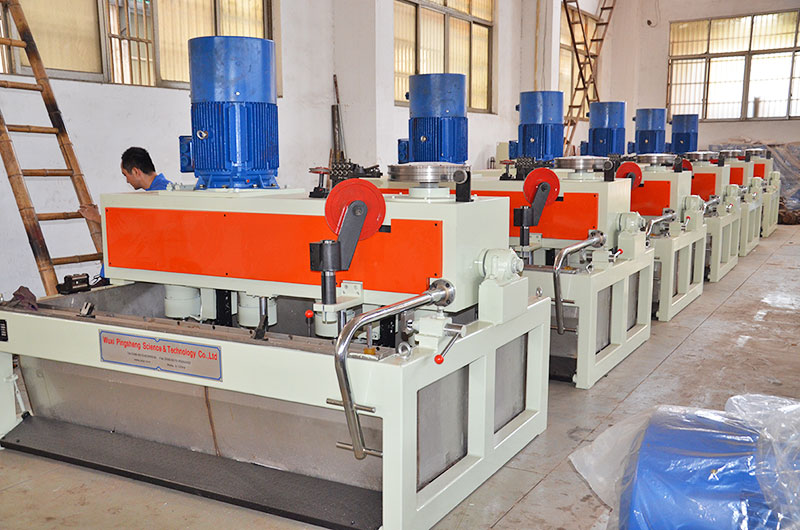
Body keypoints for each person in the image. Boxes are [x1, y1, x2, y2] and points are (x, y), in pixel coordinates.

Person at [78, 147, 172, 223]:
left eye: (125, 175)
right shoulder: (165, 187)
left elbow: (133, 225)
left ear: (135, 172)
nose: (127, 181)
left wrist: (95, 217)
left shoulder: (159, 194)